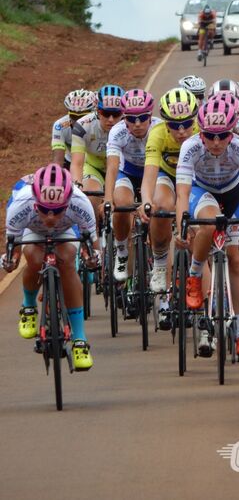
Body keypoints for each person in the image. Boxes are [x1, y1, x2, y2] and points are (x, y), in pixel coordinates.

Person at [176, 97, 239, 359]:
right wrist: (182, 224)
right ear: (201, 132)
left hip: (234, 194)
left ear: (232, 133)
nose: (217, 142)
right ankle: (195, 275)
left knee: (238, 259)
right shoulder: (190, 147)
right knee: (208, 225)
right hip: (203, 192)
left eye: (223, 136)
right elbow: (183, 193)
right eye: (210, 136)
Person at [2, 164, 99, 370]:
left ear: (68, 202)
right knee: (32, 256)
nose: (50, 217)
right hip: (33, 231)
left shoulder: (80, 203)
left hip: (66, 231)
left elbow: (92, 244)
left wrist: (93, 258)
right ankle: (28, 306)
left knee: (67, 260)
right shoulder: (20, 204)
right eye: (44, 210)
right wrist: (10, 261)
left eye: (57, 211)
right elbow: (14, 252)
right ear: (36, 201)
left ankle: (79, 340)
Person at [139, 87, 199, 296]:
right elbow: (149, 175)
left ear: (195, 119)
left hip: (193, 177)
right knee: (162, 205)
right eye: (175, 125)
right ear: (166, 123)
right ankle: (160, 262)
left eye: (187, 124)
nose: (181, 130)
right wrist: (147, 201)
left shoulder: (202, 131)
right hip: (167, 176)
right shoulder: (157, 134)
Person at [103, 89, 161, 282]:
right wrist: (108, 199)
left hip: (153, 173)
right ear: (124, 118)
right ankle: (121, 252)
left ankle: (158, 255)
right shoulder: (117, 131)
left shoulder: (159, 129)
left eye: (143, 117)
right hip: (127, 172)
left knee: (158, 206)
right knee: (120, 204)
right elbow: (112, 167)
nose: (137, 124)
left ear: (150, 116)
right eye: (131, 118)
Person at [70, 84, 124, 222]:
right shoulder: (83, 126)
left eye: (116, 114)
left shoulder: (129, 126)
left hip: (121, 169)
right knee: (90, 198)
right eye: (106, 113)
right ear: (97, 110)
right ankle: (94, 236)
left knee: (123, 204)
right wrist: (77, 186)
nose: (111, 119)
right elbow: (76, 163)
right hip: (94, 168)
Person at [52, 89, 97, 169]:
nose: (78, 121)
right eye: (73, 116)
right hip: (71, 162)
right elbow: (58, 161)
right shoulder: (60, 126)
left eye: (82, 117)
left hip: (95, 165)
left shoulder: (101, 124)